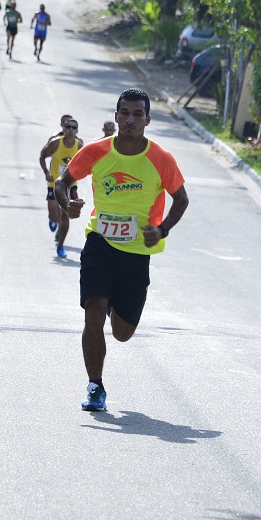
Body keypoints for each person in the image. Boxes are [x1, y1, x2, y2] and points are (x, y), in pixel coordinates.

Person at [55, 88, 189, 412]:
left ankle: (117, 305)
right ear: (116, 117)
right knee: (93, 314)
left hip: (136, 253)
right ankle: (95, 386)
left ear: (147, 120)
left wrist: (162, 229)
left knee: (122, 333)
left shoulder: (161, 159)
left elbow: (181, 199)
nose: (130, 120)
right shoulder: (97, 152)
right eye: (124, 113)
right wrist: (67, 204)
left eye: (137, 114)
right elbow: (62, 182)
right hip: (99, 242)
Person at [40, 118, 83, 259]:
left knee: (66, 214)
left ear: (77, 131)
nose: (70, 129)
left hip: (71, 185)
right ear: (63, 129)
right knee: (54, 215)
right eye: (68, 127)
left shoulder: (79, 145)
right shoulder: (55, 143)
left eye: (73, 127)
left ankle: (60, 246)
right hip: (54, 183)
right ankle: (53, 219)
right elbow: (42, 156)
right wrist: (46, 172)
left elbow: (86, 164)